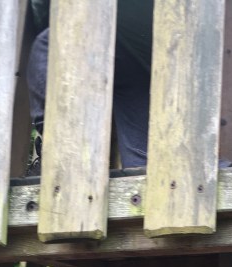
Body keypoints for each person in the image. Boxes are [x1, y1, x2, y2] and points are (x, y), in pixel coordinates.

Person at [27, 0, 153, 171]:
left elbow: (41, 7)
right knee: (140, 163)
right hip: (145, 52)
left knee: (50, 47)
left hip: (110, 28)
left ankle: (66, 149)